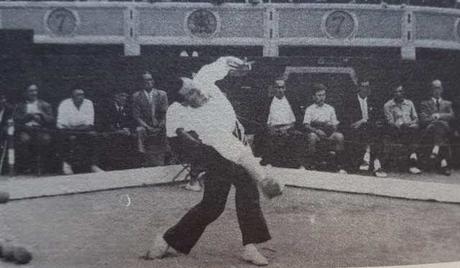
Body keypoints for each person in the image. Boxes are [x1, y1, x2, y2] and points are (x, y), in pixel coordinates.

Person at [149, 57, 282, 266]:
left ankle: (248, 247)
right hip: (219, 154)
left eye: (195, 86)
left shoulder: (202, 79)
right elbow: (239, 154)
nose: (199, 92)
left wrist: (240, 65)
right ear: (185, 103)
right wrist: (263, 179)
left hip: (237, 141)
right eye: (191, 94)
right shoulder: (205, 125)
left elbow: (222, 63)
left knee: (229, 199)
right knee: (220, 202)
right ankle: (168, 239)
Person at [343, 79, 387, 177]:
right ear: (358, 88)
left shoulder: (374, 101)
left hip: (370, 129)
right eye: (363, 86)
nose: (365, 89)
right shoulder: (350, 101)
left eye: (367, 87)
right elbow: (349, 121)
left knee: (376, 132)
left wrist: (365, 121)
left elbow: (378, 118)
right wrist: (362, 121)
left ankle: (374, 163)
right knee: (364, 130)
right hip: (354, 130)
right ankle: (364, 161)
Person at [259, 78, 304, 168]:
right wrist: (271, 129)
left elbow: (295, 121)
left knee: (297, 136)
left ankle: (298, 164)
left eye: (282, 87)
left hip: (288, 128)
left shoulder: (292, 101)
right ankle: (268, 162)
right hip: (272, 129)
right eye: (278, 87)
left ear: (285, 88)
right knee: (265, 135)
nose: (280, 90)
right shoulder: (267, 102)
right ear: (274, 88)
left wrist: (286, 128)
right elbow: (264, 120)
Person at [57, 88, 103, 175]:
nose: (81, 97)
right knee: (68, 138)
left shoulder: (88, 103)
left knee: (94, 136)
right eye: (78, 95)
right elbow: (62, 124)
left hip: (83, 131)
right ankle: (66, 164)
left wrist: (75, 128)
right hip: (67, 132)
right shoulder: (64, 104)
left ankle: (93, 165)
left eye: (82, 95)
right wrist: (76, 128)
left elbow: (89, 123)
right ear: (72, 97)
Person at [303, 83, 346, 174]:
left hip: (328, 132)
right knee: (312, 137)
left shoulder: (330, 108)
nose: (322, 97)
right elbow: (306, 125)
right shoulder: (310, 109)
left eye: (323, 95)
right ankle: (312, 164)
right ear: (313, 97)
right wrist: (317, 130)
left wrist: (331, 126)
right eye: (319, 95)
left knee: (339, 136)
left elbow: (335, 125)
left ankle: (339, 165)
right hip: (316, 132)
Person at [13, 84, 54, 173]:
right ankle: (27, 166)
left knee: (46, 139)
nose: (34, 93)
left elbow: (51, 120)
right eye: (31, 91)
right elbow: (16, 119)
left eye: (35, 90)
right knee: (24, 140)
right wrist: (28, 116)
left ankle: (41, 166)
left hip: (40, 129)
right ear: (26, 93)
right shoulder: (20, 105)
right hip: (26, 129)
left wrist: (41, 114)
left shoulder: (45, 104)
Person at [132, 72, 169, 167]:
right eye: (145, 80)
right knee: (139, 130)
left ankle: (166, 156)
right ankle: (143, 157)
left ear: (153, 81)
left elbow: (165, 113)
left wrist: (161, 124)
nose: (148, 82)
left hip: (159, 124)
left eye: (150, 79)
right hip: (145, 124)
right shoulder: (136, 96)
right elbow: (137, 116)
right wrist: (147, 126)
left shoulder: (162, 94)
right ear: (141, 83)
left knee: (167, 128)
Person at [383, 85, 422, 174]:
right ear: (393, 93)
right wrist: (401, 124)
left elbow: (416, 118)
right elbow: (390, 122)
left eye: (400, 91)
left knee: (414, 129)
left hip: (410, 128)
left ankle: (412, 159)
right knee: (409, 131)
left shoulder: (409, 103)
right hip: (396, 130)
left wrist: (410, 124)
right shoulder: (388, 105)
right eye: (396, 92)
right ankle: (412, 161)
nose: (398, 94)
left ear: (404, 92)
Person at [419, 80, 454, 175]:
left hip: (445, 130)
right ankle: (444, 163)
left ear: (442, 89)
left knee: (440, 126)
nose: (437, 90)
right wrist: (433, 118)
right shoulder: (424, 104)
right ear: (431, 90)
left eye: (438, 88)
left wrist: (439, 116)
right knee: (438, 126)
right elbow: (423, 119)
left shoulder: (448, 103)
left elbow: (451, 116)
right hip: (430, 130)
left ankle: (436, 147)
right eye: (435, 88)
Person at [96, 90, 134, 170]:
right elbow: (106, 124)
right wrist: (118, 130)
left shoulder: (128, 108)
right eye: (122, 96)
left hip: (123, 132)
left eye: (126, 96)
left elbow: (131, 121)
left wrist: (127, 128)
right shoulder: (108, 108)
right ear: (116, 97)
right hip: (110, 132)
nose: (125, 98)